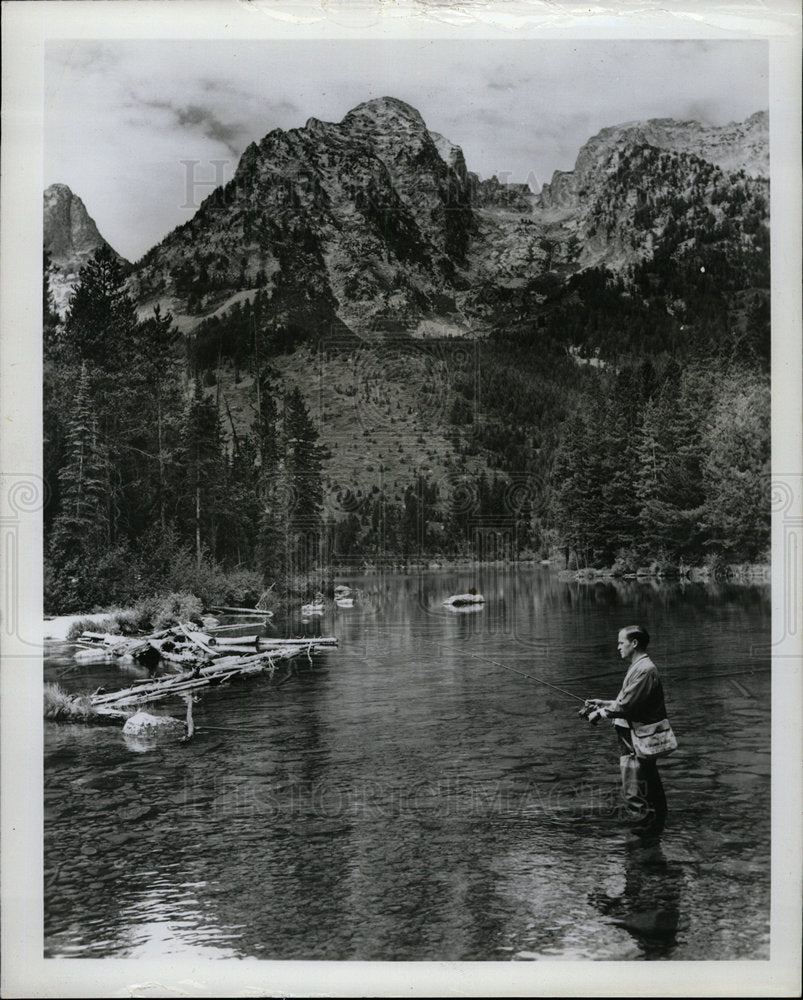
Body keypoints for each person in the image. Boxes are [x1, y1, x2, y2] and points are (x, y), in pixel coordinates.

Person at [584, 625, 669, 838]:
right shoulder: (640, 667)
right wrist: (604, 703)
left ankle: (639, 840)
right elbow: (630, 701)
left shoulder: (644, 669)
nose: (618, 647)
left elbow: (627, 706)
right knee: (648, 782)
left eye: (621, 643)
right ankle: (656, 829)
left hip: (635, 739)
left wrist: (600, 713)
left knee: (634, 790)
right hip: (636, 737)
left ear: (634, 643)